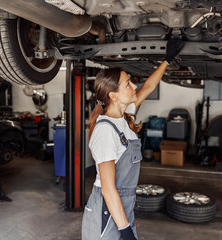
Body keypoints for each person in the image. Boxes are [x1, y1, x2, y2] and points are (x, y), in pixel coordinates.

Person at [82, 39, 184, 240]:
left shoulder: (123, 115)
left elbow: (147, 86)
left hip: (121, 208)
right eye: (128, 83)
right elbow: (108, 188)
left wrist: (167, 60)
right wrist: (125, 231)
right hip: (107, 212)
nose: (134, 85)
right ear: (114, 96)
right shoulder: (105, 131)